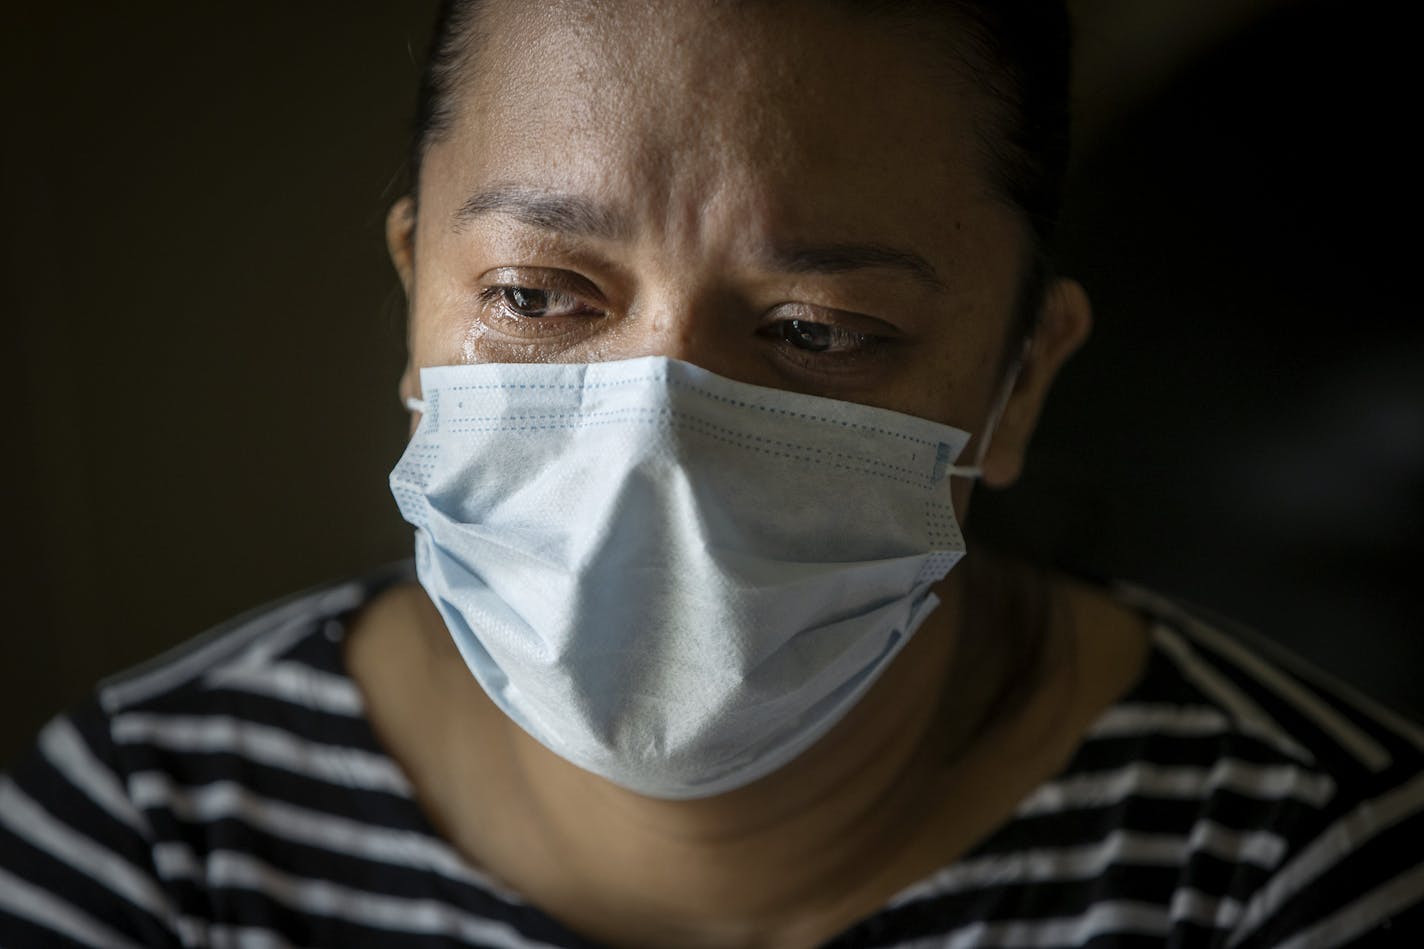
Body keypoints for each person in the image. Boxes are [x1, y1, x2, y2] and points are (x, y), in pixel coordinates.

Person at [2, 0, 1421, 946]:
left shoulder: (1313, 869)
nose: (657, 442)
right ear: (415, 288)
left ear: (1018, 381)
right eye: (541, 295)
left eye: (819, 329)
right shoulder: (141, 839)